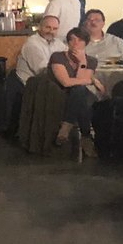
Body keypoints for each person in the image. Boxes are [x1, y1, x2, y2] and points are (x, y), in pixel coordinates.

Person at [48, 27, 105, 158]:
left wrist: (82, 62)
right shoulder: (58, 57)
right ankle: (86, 137)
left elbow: (79, 81)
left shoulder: (91, 60)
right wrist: (92, 81)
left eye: (80, 40)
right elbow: (66, 83)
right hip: (61, 93)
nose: (75, 43)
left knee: (79, 91)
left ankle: (66, 126)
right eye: (72, 39)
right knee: (81, 95)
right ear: (68, 42)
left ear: (86, 42)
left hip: (79, 93)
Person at [4, 14, 64, 133]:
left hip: (47, 82)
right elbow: (42, 70)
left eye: (55, 29)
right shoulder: (32, 44)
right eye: (48, 27)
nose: (51, 31)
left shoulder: (58, 43)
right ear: (40, 27)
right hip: (29, 85)